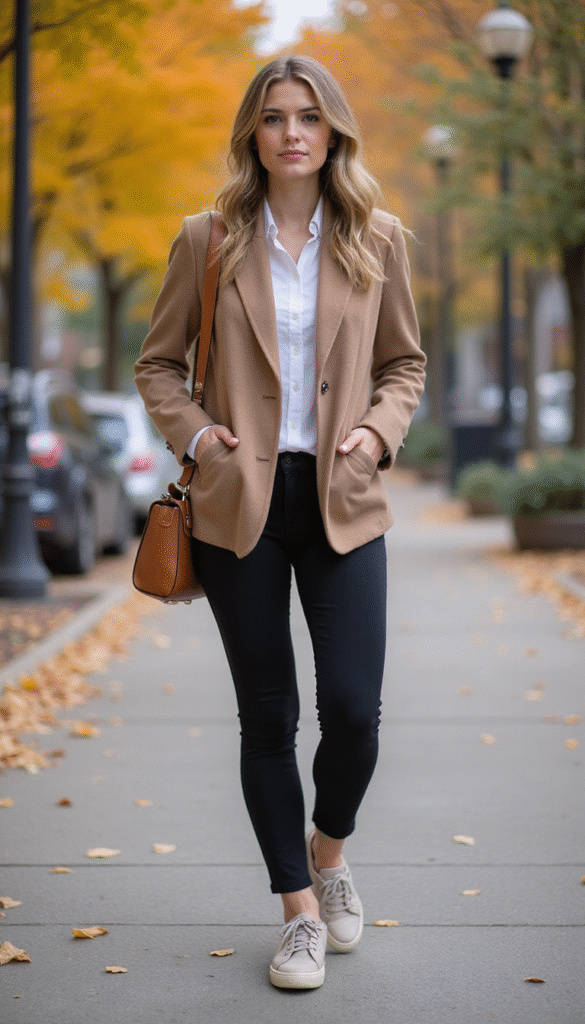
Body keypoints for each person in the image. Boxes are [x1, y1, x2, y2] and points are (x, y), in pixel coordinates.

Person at [135, 54, 425, 991]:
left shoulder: (376, 237)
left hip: (344, 497)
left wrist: (376, 435)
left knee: (354, 713)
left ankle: (326, 850)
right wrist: (199, 438)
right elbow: (158, 365)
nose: (291, 133)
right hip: (239, 506)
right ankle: (298, 912)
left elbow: (404, 365)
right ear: (251, 134)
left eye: (307, 116)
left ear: (333, 131)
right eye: (272, 117)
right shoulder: (208, 238)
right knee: (267, 717)